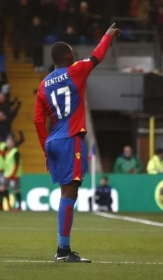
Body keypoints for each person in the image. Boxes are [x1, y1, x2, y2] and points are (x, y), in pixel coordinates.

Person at [34, 23, 120, 263]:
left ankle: (63, 249)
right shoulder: (77, 70)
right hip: (70, 139)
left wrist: (45, 150)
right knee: (69, 193)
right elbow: (97, 56)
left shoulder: (43, 85)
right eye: (72, 53)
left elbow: (38, 120)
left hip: (53, 140)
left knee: (66, 192)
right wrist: (108, 35)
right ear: (69, 56)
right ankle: (63, 250)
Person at [1, 136, 23, 211]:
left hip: (14, 174)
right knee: (3, 188)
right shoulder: (6, 152)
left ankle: (19, 206)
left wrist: (13, 173)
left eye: (10, 142)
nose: (8, 144)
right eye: (7, 143)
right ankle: (8, 205)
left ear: (13, 143)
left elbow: (16, 164)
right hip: (7, 174)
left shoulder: (15, 152)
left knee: (15, 190)